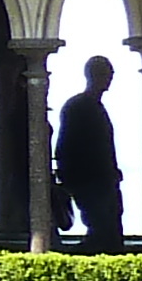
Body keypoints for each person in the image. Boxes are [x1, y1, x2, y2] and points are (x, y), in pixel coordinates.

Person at [52, 53, 125, 252]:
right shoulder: (80, 106)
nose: (109, 79)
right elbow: (67, 146)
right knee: (103, 230)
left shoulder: (88, 106)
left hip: (101, 180)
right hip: (91, 181)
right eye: (105, 74)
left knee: (107, 229)